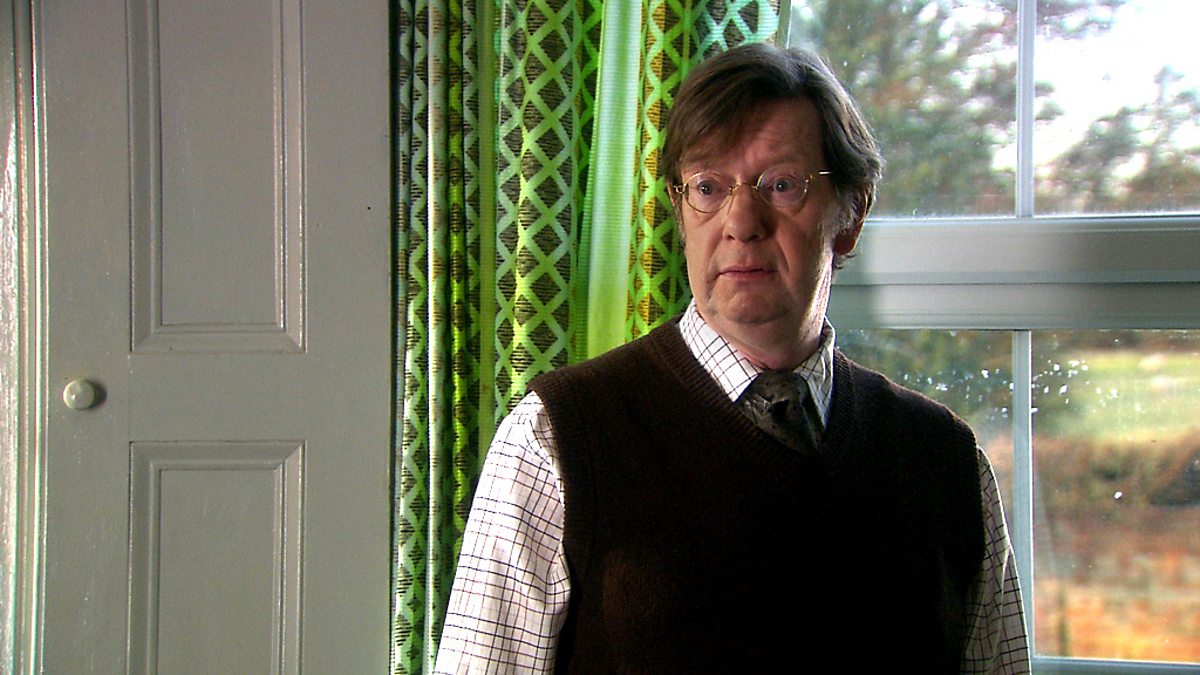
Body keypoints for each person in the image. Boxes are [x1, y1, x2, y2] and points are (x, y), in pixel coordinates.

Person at [434, 42, 1030, 673]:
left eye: (782, 185)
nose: (741, 222)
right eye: (708, 187)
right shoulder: (556, 440)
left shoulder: (946, 463)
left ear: (850, 215)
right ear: (679, 211)